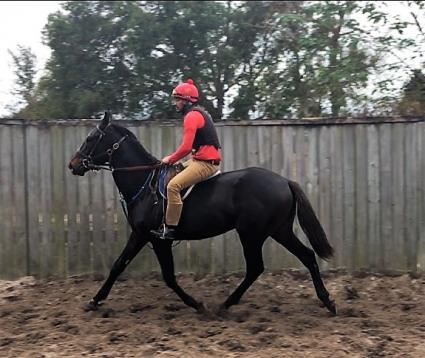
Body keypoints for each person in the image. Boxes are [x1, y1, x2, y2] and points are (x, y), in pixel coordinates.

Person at [151, 79, 221, 240]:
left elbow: (186, 147)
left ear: (185, 100)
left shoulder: (191, 116)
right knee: (172, 173)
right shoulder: (198, 113)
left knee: (173, 186)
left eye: (177, 100)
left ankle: (170, 229)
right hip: (199, 160)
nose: (175, 104)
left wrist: (170, 159)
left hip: (205, 163)